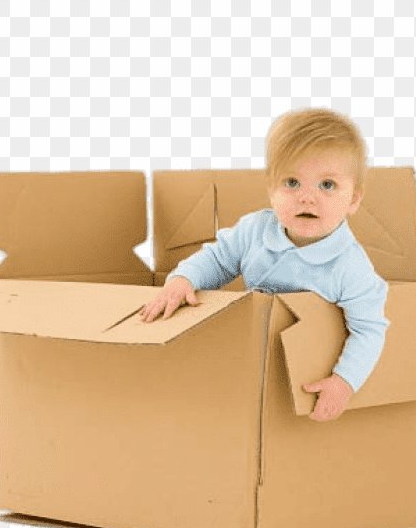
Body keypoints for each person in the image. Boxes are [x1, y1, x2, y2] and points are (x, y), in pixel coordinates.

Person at [139, 107, 390, 422]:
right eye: (292, 182)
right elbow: (216, 260)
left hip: (301, 375)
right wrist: (183, 280)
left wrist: (344, 381)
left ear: (354, 198)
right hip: (247, 354)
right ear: (271, 190)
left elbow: (369, 330)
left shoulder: (349, 267)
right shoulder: (254, 230)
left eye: (327, 185)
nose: (307, 198)